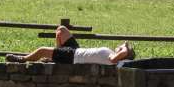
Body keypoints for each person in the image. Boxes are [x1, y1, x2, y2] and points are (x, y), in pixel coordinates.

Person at [7, 25, 135, 65]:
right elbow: (122, 53)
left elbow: (120, 55)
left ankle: (22, 59)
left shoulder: (114, 58)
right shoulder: (112, 54)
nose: (120, 45)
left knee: (41, 50)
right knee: (61, 29)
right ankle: (56, 55)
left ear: (124, 54)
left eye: (123, 48)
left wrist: (125, 48)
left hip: (73, 57)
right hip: (76, 50)